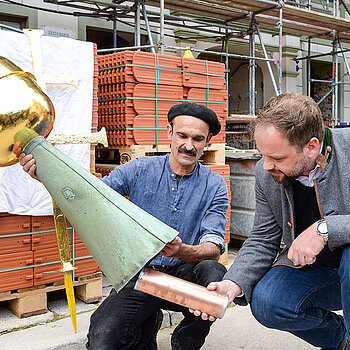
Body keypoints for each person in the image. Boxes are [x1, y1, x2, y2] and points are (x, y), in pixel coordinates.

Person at [19, 102, 229, 350]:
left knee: (214, 272)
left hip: (185, 277)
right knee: (102, 342)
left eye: (198, 139)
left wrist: (183, 250)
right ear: (169, 134)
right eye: (182, 135)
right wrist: (47, 174)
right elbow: (92, 195)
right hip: (141, 273)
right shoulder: (140, 169)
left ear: (207, 142)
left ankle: (187, 340)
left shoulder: (214, 185)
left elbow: (214, 246)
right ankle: (147, 322)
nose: (188, 145)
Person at [197, 93, 349, 350]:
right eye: (262, 154)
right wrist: (233, 283)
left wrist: (324, 230)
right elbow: (263, 237)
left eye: (277, 158)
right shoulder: (266, 172)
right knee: (269, 301)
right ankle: (341, 340)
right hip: (320, 273)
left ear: (311, 147)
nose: (266, 166)